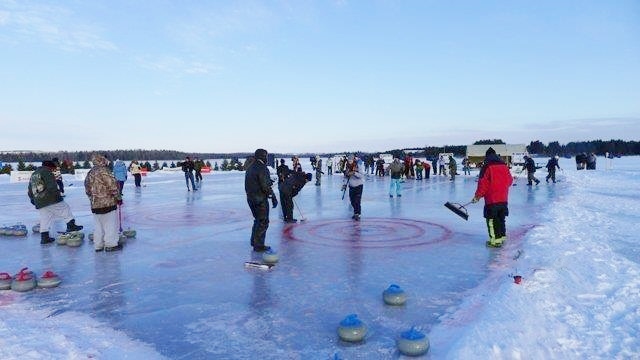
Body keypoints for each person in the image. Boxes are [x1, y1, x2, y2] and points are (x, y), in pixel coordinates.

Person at [28, 160, 83, 244]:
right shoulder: (47, 172)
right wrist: (58, 197)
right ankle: (71, 226)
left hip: (39, 200)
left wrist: (32, 199)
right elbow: (51, 186)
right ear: (50, 167)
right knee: (65, 208)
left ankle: (44, 237)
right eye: (53, 168)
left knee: (45, 218)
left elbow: (30, 188)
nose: (53, 170)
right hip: (49, 198)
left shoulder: (35, 173)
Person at [471, 147, 513, 247]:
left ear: (487, 156)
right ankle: (502, 237)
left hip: (492, 200)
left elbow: (483, 184)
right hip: (503, 199)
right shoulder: (504, 165)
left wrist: (477, 196)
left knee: (492, 220)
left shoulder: (486, 167)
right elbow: (510, 181)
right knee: (501, 218)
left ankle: (494, 241)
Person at [85, 154, 123, 252]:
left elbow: (87, 189)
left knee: (98, 226)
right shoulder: (104, 171)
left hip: (95, 205)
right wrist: (118, 198)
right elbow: (112, 186)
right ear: (102, 160)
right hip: (107, 203)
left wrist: (92, 199)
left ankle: (98, 245)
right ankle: (111, 244)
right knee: (110, 224)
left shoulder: (90, 172)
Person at [245, 148, 278, 252]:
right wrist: (273, 196)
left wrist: (268, 181)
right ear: (262, 156)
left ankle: (254, 241)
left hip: (251, 198)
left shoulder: (251, 167)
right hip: (259, 199)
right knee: (263, 221)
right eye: (266, 156)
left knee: (258, 220)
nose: (267, 158)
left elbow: (255, 182)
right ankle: (258, 245)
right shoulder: (262, 168)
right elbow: (265, 186)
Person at [342, 155, 364, 220]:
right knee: (352, 201)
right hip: (351, 186)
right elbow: (346, 177)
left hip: (359, 186)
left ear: (353, 160)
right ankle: (355, 213)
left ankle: (358, 214)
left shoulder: (358, 166)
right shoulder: (347, 167)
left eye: (351, 160)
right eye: (348, 160)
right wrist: (344, 184)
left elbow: (361, 175)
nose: (349, 161)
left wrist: (354, 173)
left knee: (357, 201)